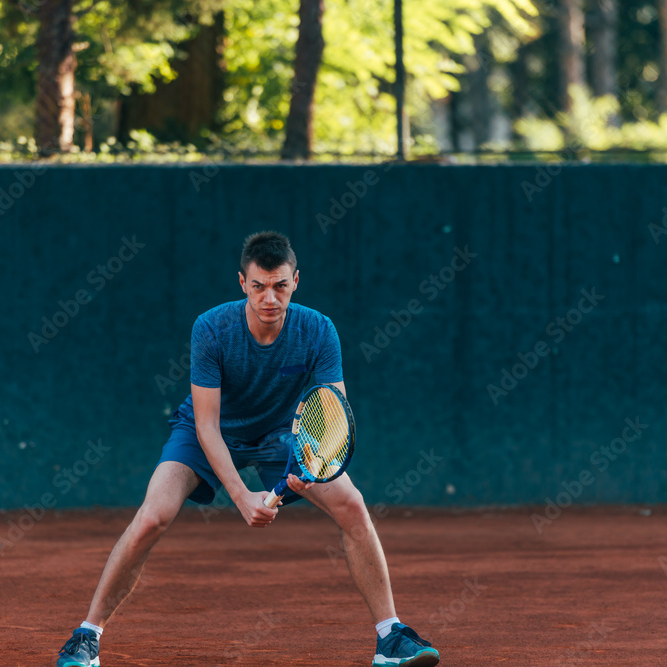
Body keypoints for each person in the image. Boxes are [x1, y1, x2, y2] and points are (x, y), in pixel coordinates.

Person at [56, 231, 440, 667]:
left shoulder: (318, 330)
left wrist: (313, 463)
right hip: (211, 430)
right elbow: (206, 425)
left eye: (279, 285)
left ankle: (390, 638)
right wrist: (241, 496)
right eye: (259, 286)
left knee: (352, 505)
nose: (269, 298)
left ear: (296, 281)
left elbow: (333, 414)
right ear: (243, 283)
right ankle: (87, 635)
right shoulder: (212, 328)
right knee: (153, 516)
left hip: (284, 433)